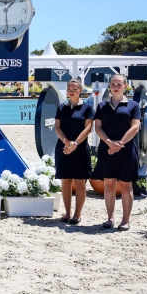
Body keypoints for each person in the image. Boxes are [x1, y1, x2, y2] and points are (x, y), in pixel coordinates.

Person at [91, 74, 141, 231]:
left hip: (126, 151)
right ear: (109, 86)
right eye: (113, 84)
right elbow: (98, 127)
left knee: (126, 186)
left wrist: (119, 143)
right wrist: (109, 143)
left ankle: (125, 220)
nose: (116, 86)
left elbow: (135, 127)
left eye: (119, 84)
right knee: (109, 185)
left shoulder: (133, 106)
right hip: (107, 150)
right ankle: (110, 218)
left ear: (125, 86)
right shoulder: (102, 106)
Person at [53, 78, 94, 224]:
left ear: (80, 90)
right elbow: (57, 127)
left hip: (80, 148)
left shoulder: (87, 107)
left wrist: (75, 143)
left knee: (80, 182)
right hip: (63, 147)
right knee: (66, 182)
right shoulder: (61, 107)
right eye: (69, 88)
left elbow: (88, 128)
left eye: (74, 88)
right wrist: (66, 142)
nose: (71, 90)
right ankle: (67, 212)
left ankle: (77, 213)